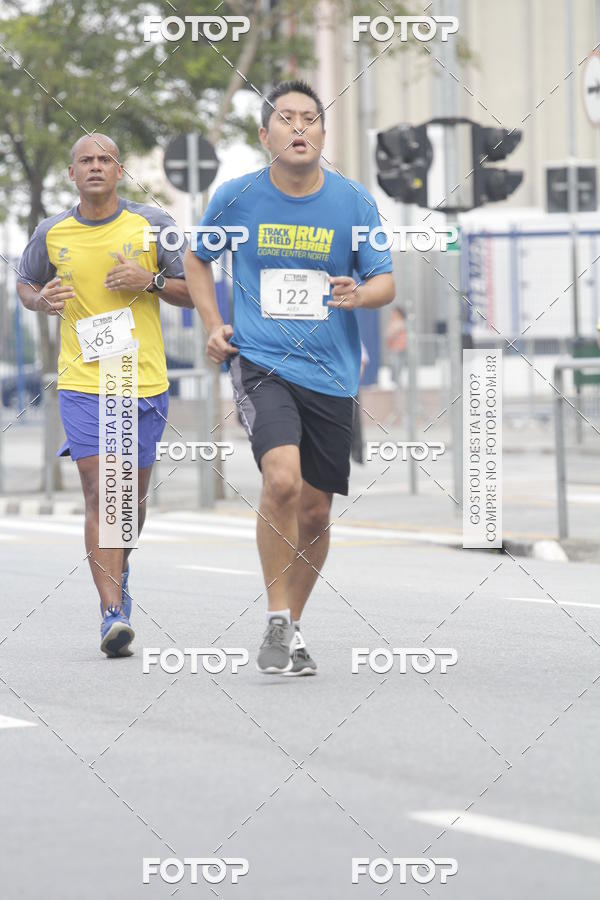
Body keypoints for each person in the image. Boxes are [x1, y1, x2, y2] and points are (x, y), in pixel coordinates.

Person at [184, 80, 395, 675]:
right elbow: (198, 256)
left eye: (310, 119)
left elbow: (385, 280)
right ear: (264, 135)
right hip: (262, 363)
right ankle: (276, 614)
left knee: (316, 512)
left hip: (331, 374)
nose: (299, 128)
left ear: (323, 134)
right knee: (282, 481)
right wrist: (213, 323)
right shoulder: (237, 197)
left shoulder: (353, 202)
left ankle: (291, 627)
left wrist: (359, 294)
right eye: (286, 119)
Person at [17, 134, 192, 657]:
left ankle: (120, 560)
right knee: (99, 489)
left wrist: (151, 279)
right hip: (84, 380)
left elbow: (194, 290)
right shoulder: (52, 232)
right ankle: (112, 612)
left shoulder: (154, 226)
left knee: (130, 502)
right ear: (72, 174)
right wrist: (41, 299)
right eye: (85, 161)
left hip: (141, 380)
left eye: (105, 160)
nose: (95, 167)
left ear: (120, 170)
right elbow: (25, 286)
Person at [385, 305, 407, 387]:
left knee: (398, 366)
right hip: (394, 349)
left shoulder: (401, 323)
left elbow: (392, 333)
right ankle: (396, 383)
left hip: (400, 349)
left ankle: (398, 384)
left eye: (394, 313)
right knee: (394, 366)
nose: (392, 314)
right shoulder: (392, 323)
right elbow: (388, 335)